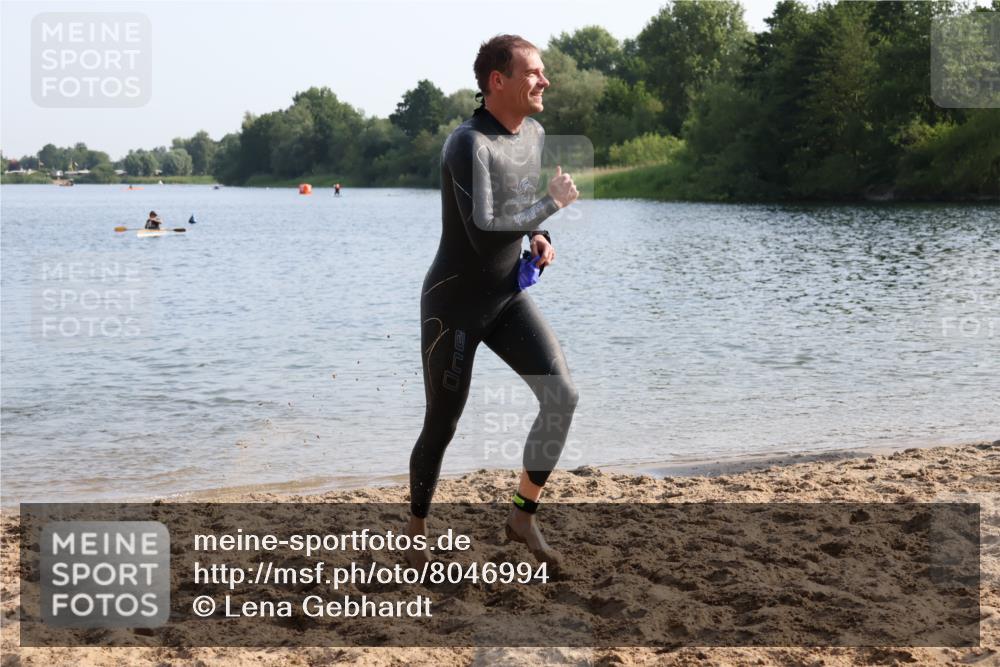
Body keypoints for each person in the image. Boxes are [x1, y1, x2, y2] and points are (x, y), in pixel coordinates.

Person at [407, 34, 580, 569]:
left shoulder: (533, 134)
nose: (544, 81)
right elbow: (483, 230)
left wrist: (538, 239)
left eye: (543, 72)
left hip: (505, 298)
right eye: (534, 72)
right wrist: (550, 206)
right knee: (443, 424)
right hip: (453, 306)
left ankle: (522, 516)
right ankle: (415, 529)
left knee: (562, 398)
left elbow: (516, 212)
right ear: (496, 82)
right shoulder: (467, 144)